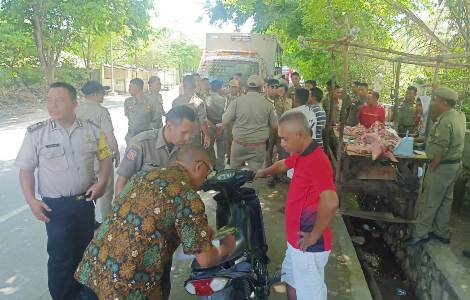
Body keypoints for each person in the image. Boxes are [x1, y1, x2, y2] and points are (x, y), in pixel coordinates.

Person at [75, 145, 236, 300]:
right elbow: (206, 260)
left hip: (94, 267)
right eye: (208, 173)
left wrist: (202, 231)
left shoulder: (143, 176)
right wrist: (226, 248)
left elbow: (152, 219)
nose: (205, 180)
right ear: (199, 167)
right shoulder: (187, 197)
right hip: (125, 285)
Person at [16, 82, 113, 300]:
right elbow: (26, 171)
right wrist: (32, 201)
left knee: (86, 251)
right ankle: (63, 296)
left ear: (74, 103)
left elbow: (106, 156)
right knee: (61, 256)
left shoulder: (92, 130)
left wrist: (103, 182)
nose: (52, 105)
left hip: (85, 202)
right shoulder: (37, 134)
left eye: (59, 100)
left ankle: (85, 293)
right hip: (55, 206)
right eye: (49, 100)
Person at [255, 111, 339, 300]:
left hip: (308, 246)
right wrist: (262, 172)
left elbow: (331, 201)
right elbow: (283, 164)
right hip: (296, 242)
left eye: (285, 139)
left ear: (301, 135)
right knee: (292, 282)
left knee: (310, 294)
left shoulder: (318, 160)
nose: (282, 144)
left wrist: (314, 236)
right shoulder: (301, 153)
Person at [405, 86, 466, 246]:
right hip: (454, 165)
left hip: (442, 166)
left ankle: (420, 234)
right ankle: (441, 232)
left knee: (429, 200)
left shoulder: (445, 121)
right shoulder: (459, 115)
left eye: (435, 100)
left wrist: (431, 168)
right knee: (446, 199)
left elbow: (441, 149)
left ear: (444, 103)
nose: (432, 103)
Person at [115, 105, 196, 196]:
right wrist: (118, 207)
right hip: (143, 202)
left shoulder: (187, 146)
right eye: (184, 132)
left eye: (190, 133)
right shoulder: (140, 144)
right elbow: (122, 181)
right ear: (169, 126)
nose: (188, 138)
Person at [75, 80, 120, 225]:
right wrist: (116, 151)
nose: (104, 95)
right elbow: (109, 135)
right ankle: (107, 223)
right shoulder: (101, 111)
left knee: (86, 190)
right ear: (95, 94)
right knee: (106, 190)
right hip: (101, 156)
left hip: (81, 156)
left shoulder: (75, 110)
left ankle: (89, 221)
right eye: (102, 92)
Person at [222, 74, 278, 170]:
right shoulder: (268, 105)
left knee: (234, 172)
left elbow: (225, 120)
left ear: (247, 87)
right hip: (258, 145)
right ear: (261, 88)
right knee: (256, 174)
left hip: (239, 144)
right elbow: (275, 125)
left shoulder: (237, 102)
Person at [173, 74, 210, 148]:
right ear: (194, 86)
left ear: (183, 87)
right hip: (194, 137)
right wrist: (207, 136)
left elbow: (173, 121)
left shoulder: (176, 102)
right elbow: (202, 121)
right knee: (194, 157)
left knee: (181, 157)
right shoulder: (199, 102)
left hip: (180, 136)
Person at [124, 78, 160, 144]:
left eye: (130, 86)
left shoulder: (151, 101)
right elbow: (128, 115)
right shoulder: (128, 102)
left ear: (137, 87)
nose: (128, 89)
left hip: (146, 138)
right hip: (131, 136)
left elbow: (157, 120)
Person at [206, 79, 227, 170]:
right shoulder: (224, 99)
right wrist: (219, 127)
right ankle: (220, 169)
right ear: (219, 88)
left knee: (210, 149)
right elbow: (226, 115)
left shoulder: (206, 99)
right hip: (221, 127)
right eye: (223, 87)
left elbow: (204, 117)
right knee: (221, 151)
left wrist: (213, 126)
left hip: (209, 127)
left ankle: (212, 167)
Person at [225, 79, 241, 164]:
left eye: (235, 87)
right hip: (230, 123)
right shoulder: (226, 98)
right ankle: (230, 157)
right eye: (231, 87)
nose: (232, 89)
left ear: (238, 88)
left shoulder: (243, 98)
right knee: (229, 140)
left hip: (240, 123)